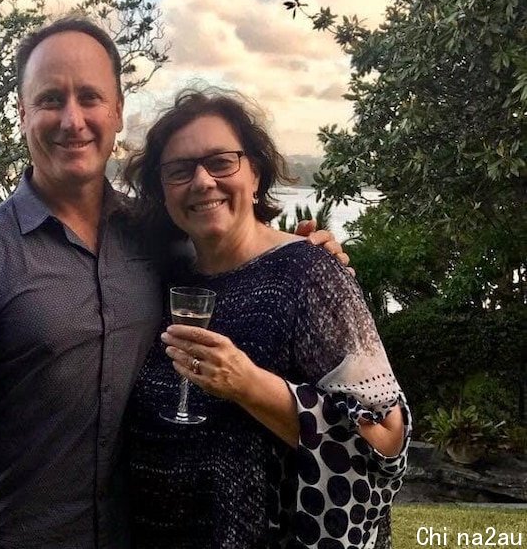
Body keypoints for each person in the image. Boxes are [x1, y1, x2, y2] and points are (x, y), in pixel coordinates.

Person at [0, 17, 348, 549]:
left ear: (118, 111)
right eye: (51, 99)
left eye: (90, 97)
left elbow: (232, 251)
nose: (72, 120)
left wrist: (304, 252)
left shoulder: (159, 240)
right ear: (23, 114)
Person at [123, 89, 411, 549]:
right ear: (161, 190)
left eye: (221, 162)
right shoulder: (166, 275)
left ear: (254, 173)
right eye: (179, 170)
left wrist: (246, 384)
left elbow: (384, 437)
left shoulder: (309, 273)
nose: (202, 181)